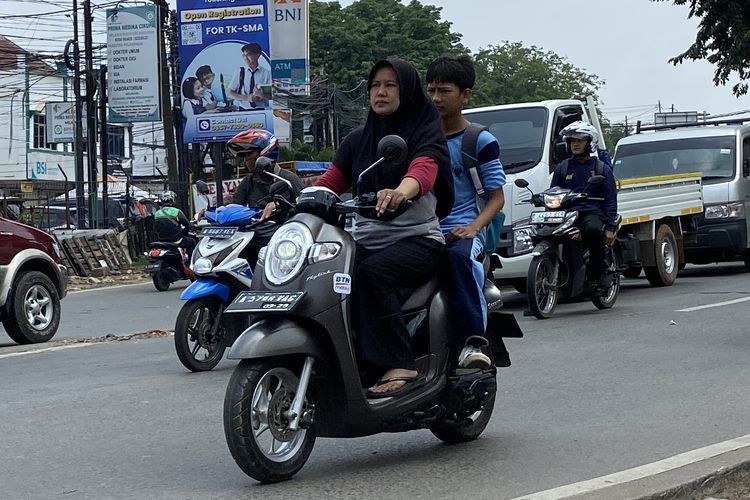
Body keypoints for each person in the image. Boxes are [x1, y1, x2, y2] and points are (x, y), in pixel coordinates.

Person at [314, 58, 453, 398]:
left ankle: (400, 363)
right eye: (376, 85)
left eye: (391, 85)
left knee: (372, 274)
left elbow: (423, 170)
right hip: (366, 240)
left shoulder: (424, 132)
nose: (381, 91)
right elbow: (332, 181)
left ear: (406, 91)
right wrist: (298, 199)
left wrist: (400, 191)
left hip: (418, 242)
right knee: (325, 275)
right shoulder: (358, 140)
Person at [426, 55, 506, 369]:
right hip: (423, 228)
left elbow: (496, 198)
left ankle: (474, 342)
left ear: (465, 95)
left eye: (444, 91)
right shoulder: (419, 138)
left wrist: (473, 228)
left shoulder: (479, 141)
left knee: (459, 259)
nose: (435, 98)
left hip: (462, 226)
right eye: (431, 89)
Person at [550, 121, 618, 289]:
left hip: (591, 213)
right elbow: (553, 192)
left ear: (590, 142)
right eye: (572, 141)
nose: (575, 144)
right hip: (566, 214)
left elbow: (610, 199)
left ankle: (599, 271)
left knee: (593, 230)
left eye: (580, 140)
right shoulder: (562, 168)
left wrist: (609, 228)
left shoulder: (601, 169)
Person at [227, 129, 305, 266]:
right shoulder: (248, 182)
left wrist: (279, 204)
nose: (246, 160)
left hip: (285, 246)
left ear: (266, 152)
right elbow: (236, 207)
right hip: (254, 238)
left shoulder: (288, 180)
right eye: (244, 156)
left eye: (250, 154)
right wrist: (216, 212)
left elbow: (305, 209)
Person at [227, 43, 272, 110]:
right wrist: (247, 97)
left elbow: (274, 96)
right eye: (244, 55)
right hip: (243, 110)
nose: (246, 58)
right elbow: (229, 93)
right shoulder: (240, 72)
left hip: (262, 110)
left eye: (249, 54)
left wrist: (263, 96)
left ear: (257, 55)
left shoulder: (267, 73)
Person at [153, 191, 196, 258]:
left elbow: (155, 228)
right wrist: (192, 226)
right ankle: (190, 264)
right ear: (172, 200)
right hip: (176, 240)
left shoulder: (157, 213)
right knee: (192, 242)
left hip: (161, 240)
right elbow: (187, 224)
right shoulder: (176, 212)